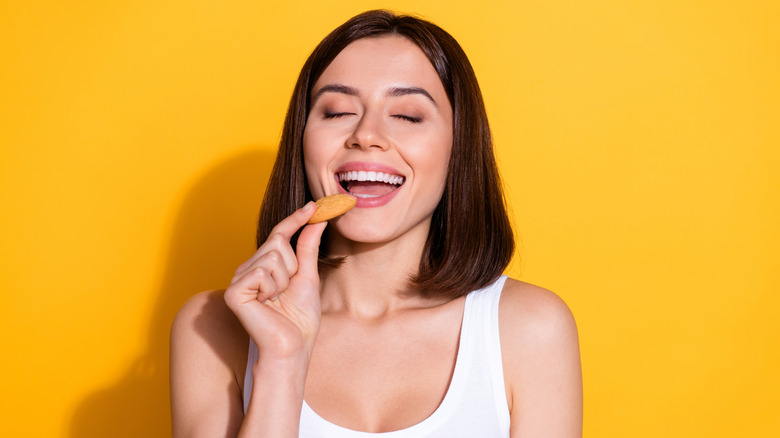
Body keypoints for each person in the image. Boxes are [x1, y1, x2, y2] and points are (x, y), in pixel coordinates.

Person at [170, 9, 582, 437]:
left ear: (458, 148)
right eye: (336, 112)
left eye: (407, 115)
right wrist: (281, 363)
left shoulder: (530, 330)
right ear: (302, 138)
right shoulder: (211, 328)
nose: (366, 134)